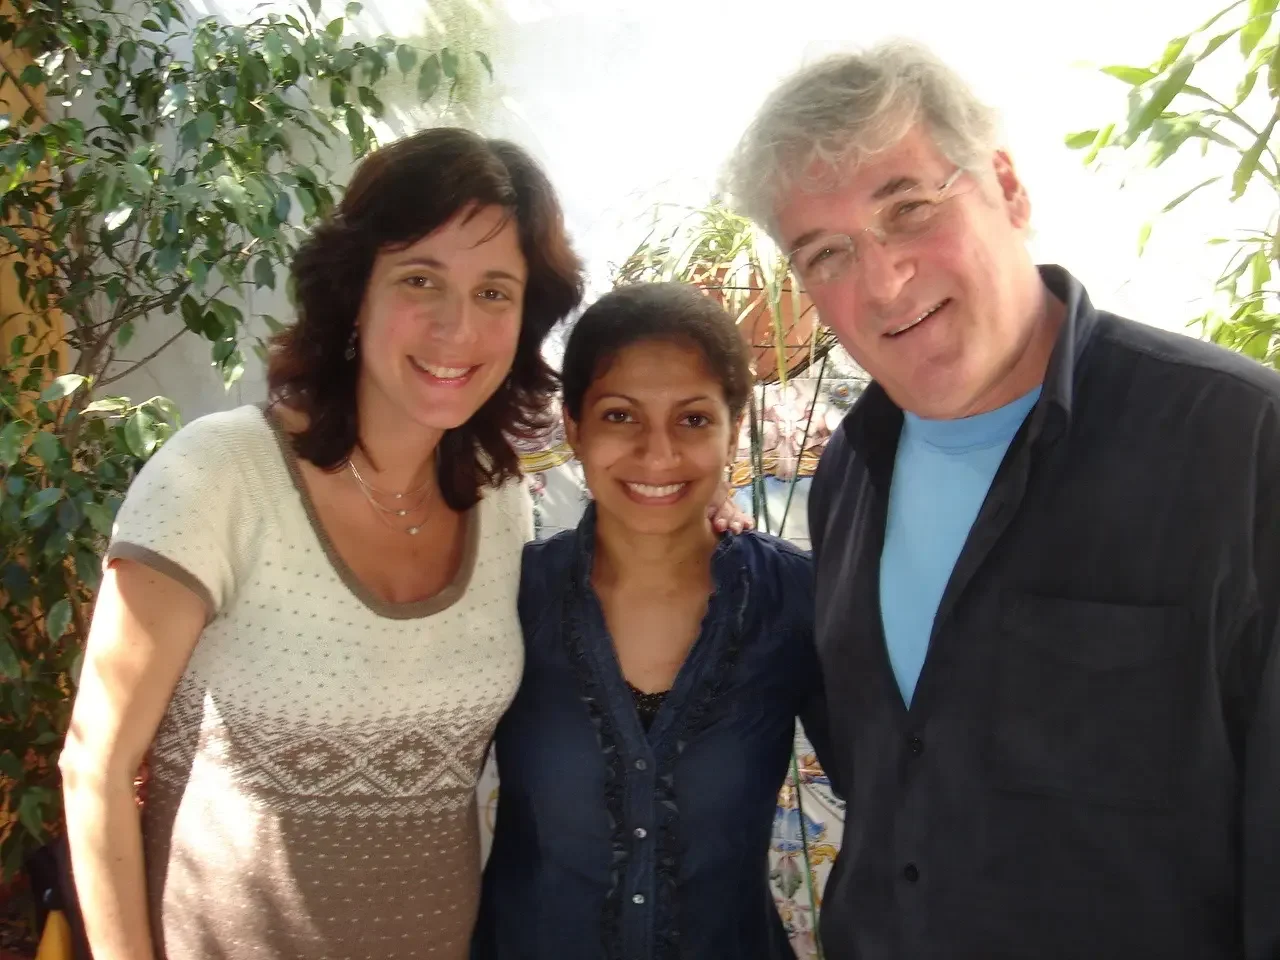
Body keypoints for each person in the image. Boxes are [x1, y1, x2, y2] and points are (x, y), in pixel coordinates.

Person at [725, 40, 1280, 960]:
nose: (882, 281)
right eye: (827, 254)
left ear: (1009, 189)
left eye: (907, 210)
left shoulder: (1242, 445)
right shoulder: (849, 473)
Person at [58, 127, 586, 960]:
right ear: (355, 294)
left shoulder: (501, 500)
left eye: (495, 292)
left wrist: (701, 523)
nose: (457, 327)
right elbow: (95, 764)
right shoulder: (219, 475)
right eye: (420, 279)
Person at [473, 282, 828, 960]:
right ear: (574, 427)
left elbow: (896, 792)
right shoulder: (512, 596)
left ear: (733, 429)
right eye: (620, 416)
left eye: (693, 419)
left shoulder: (793, 599)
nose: (658, 454)